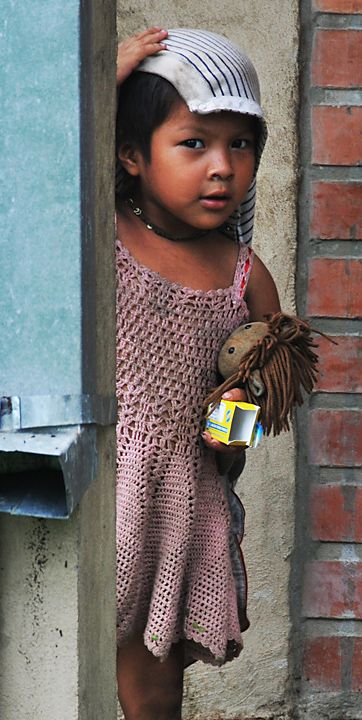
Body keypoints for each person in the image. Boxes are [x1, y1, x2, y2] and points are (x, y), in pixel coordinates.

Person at [115, 27, 281, 720]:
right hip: (99, 483)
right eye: (194, 143)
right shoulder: (97, 232)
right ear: (129, 154)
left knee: (150, 675)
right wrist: (100, 88)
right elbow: (31, 167)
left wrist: (232, 427)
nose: (222, 167)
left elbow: (262, 376)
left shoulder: (245, 276)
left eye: (239, 144)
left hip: (182, 494)